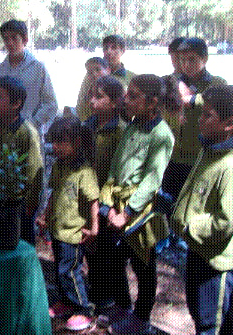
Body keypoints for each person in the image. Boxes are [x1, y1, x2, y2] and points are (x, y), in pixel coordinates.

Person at [99, 75, 176, 334]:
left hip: (142, 213)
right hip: (117, 207)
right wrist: (108, 203)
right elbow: (115, 166)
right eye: (127, 94)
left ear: (152, 102)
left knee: (144, 266)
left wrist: (128, 212)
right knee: (115, 260)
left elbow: (151, 180)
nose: (126, 100)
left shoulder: (161, 134)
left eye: (133, 96)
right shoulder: (132, 125)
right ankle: (122, 308)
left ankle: (141, 319)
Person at [171, 85, 233, 335]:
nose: (201, 120)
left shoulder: (228, 165)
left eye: (208, 116)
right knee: (198, 313)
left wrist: (189, 227)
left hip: (216, 263)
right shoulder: (209, 148)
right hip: (197, 250)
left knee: (211, 325)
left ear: (229, 124)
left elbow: (225, 220)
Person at [36, 116, 99, 331]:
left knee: (70, 271)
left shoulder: (85, 172)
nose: (56, 147)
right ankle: (65, 302)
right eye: (53, 142)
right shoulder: (59, 167)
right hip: (58, 229)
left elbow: (93, 201)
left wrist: (94, 227)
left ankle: (84, 309)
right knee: (59, 268)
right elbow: (54, 194)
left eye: (61, 142)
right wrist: (45, 216)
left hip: (74, 233)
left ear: (77, 142)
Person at [163, 38, 227, 203]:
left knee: (194, 203)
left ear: (204, 59)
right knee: (168, 202)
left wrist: (191, 99)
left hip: (201, 157)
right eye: (182, 60)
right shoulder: (172, 82)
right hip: (173, 156)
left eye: (192, 59)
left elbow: (220, 103)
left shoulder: (217, 83)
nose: (186, 64)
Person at [82, 76, 126, 311]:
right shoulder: (88, 125)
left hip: (108, 201)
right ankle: (97, 292)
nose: (92, 101)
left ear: (115, 102)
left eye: (99, 97)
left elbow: (120, 171)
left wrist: (110, 203)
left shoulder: (120, 131)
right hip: (88, 197)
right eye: (91, 95)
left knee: (108, 252)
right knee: (90, 246)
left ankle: (109, 300)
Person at [0, 76, 44, 244]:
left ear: (16, 103)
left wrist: (31, 203)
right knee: (0, 240)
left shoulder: (27, 132)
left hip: (21, 202)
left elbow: (35, 172)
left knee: (22, 242)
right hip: (0, 197)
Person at [0, 20, 58, 134]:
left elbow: (51, 104)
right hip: (3, 134)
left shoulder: (38, 68)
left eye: (14, 38)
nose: (10, 43)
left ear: (25, 40)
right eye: (6, 39)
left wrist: (32, 123)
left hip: (30, 135)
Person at [76, 57, 110, 121]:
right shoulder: (88, 90)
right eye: (90, 72)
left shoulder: (113, 90)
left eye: (98, 69)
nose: (94, 74)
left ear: (108, 70)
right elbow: (80, 110)